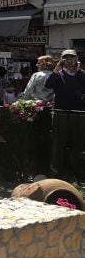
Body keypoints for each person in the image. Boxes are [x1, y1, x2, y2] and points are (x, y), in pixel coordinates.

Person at [45, 49, 85, 179]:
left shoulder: (81, 74)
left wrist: (78, 71)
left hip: (78, 113)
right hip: (61, 113)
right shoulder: (59, 74)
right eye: (66, 58)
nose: (69, 60)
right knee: (59, 142)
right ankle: (57, 170)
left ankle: (78, 171)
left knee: (78, 142)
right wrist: (56, 69)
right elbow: (48, 84)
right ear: (62, 60)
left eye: (72, 57)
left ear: (76, 59)